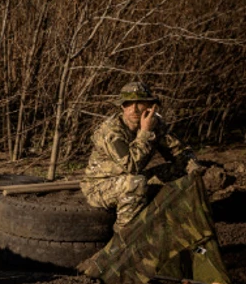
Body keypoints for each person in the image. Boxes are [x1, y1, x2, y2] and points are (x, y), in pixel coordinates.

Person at [80, 81, 200, 232]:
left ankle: (171, 220)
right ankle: (125, 235)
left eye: (140, 103)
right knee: (136, 183)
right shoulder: (111, 131)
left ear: (150, 106)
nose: (134, 109)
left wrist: (194, 167)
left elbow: (178, 151)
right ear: (123, 106)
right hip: (100, 187)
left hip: (132, 179)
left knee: (179, 170)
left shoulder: (155, 124)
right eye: (129, 104)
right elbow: (132, 166)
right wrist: (145, 132)